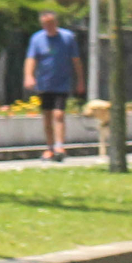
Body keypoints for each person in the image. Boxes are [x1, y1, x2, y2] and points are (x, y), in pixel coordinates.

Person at [25, 9, 82, 162]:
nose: (48, 26)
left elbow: (76, 60)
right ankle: (49, 148)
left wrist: (80, 81)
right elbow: (31, 59)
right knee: (47, 117)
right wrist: (29, 76)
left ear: (56, 23)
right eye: (45, 24)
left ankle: (59, 146)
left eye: (51, 23)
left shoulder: (67, 38)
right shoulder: (37, 39)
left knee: (59, 114)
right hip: (44, 84)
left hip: (62, 83)